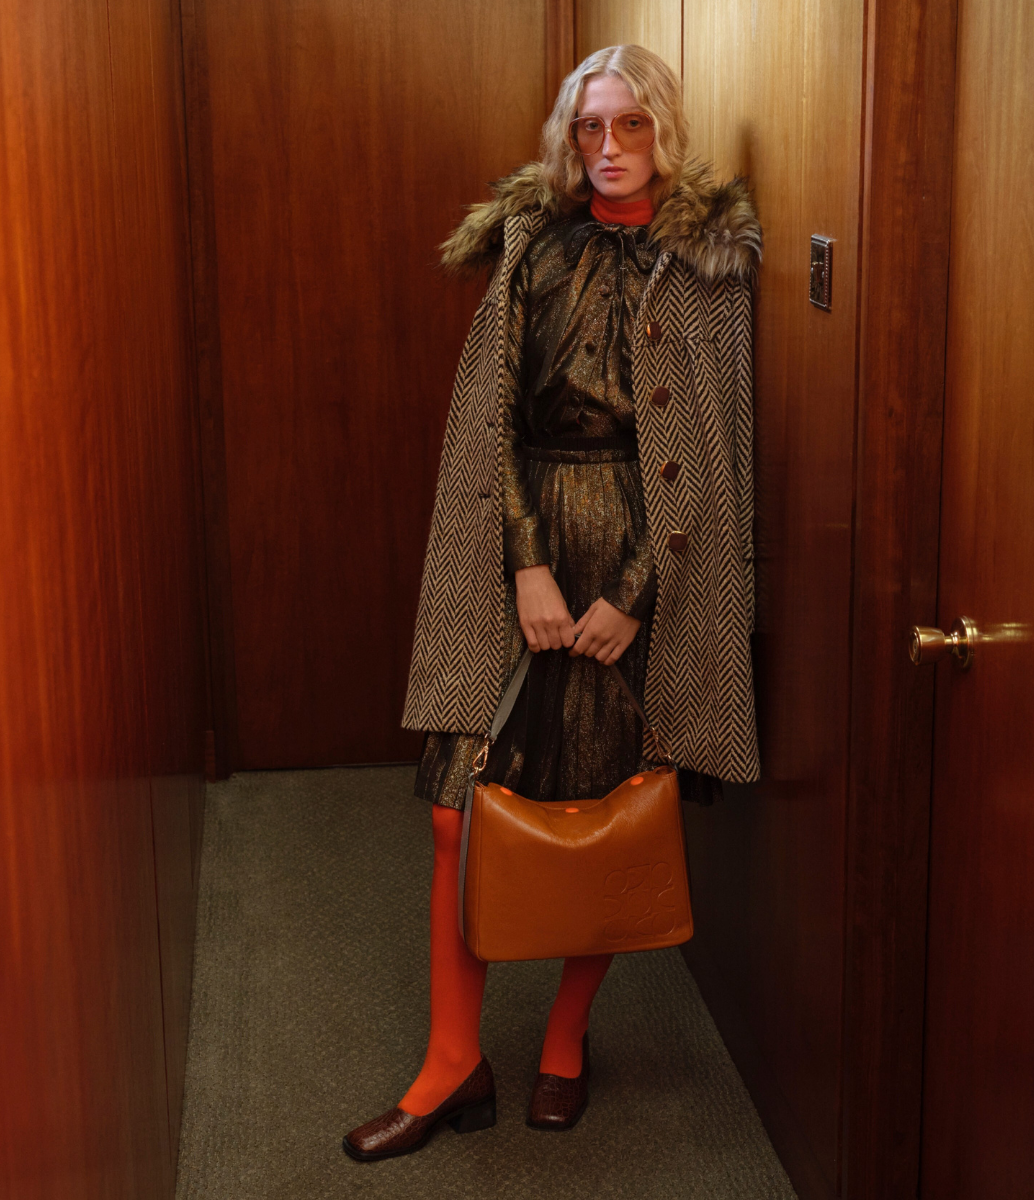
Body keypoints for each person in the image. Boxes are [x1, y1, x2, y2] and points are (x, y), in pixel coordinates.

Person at [344, 42, 760, 1162]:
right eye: (589, 127)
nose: (608, 148)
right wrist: (526, 564)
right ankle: (451, 1061)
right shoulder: (532, 243)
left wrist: (634, 594)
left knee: (604, 811)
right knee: (455, 809)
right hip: (518, 533)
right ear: (568, 138)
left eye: (630, 125)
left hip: (641, 553)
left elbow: (714, 459)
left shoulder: (708, 268)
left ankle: (566, 1040)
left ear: (662, 130)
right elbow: (488, 418)